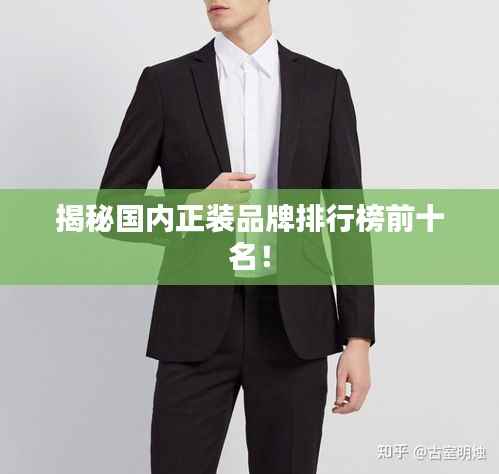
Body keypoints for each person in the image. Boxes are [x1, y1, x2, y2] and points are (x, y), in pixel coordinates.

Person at [99, 1, 375, 472]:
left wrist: (358, 337)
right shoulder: (165, 84)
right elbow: (111, 209)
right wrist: (191, 208)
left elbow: (347, 216)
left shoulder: (323, 86)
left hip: (294, 328)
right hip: (194, 325)